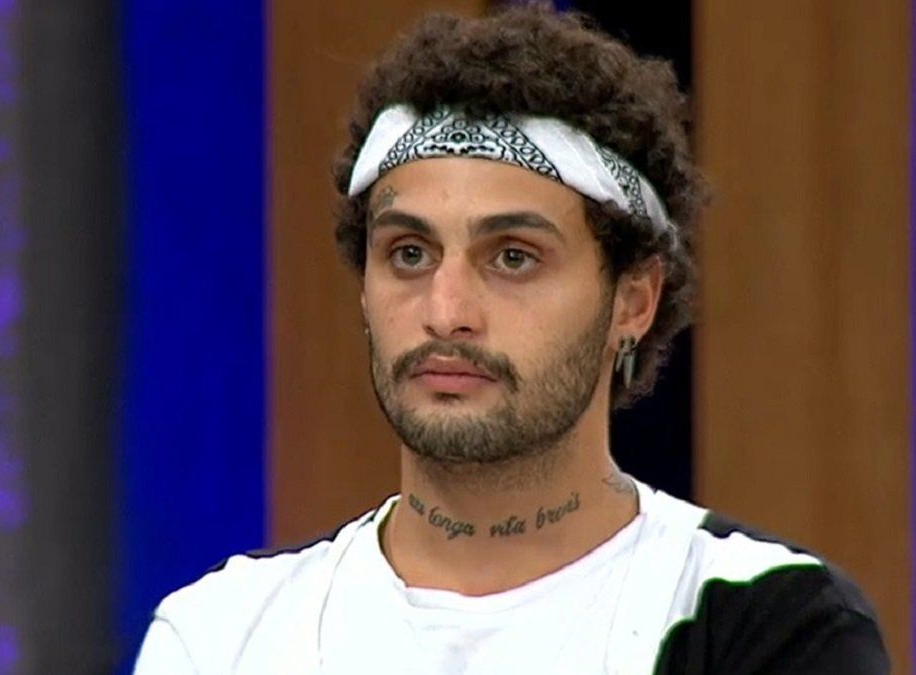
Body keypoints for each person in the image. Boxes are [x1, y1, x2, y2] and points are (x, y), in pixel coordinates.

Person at [133, 4, 889, 673]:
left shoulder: (768, 623)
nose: (446, 310)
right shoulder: (224, 635)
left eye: (513, 258)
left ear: (633, 300)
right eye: (409, 253)